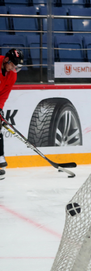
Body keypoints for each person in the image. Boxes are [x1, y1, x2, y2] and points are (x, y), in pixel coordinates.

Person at [0, 49, 24, 180]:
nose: (14, 69)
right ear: (6, 60)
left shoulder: (12, 75)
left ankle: (0, 156)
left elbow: (3, 95)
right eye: (13, 65)